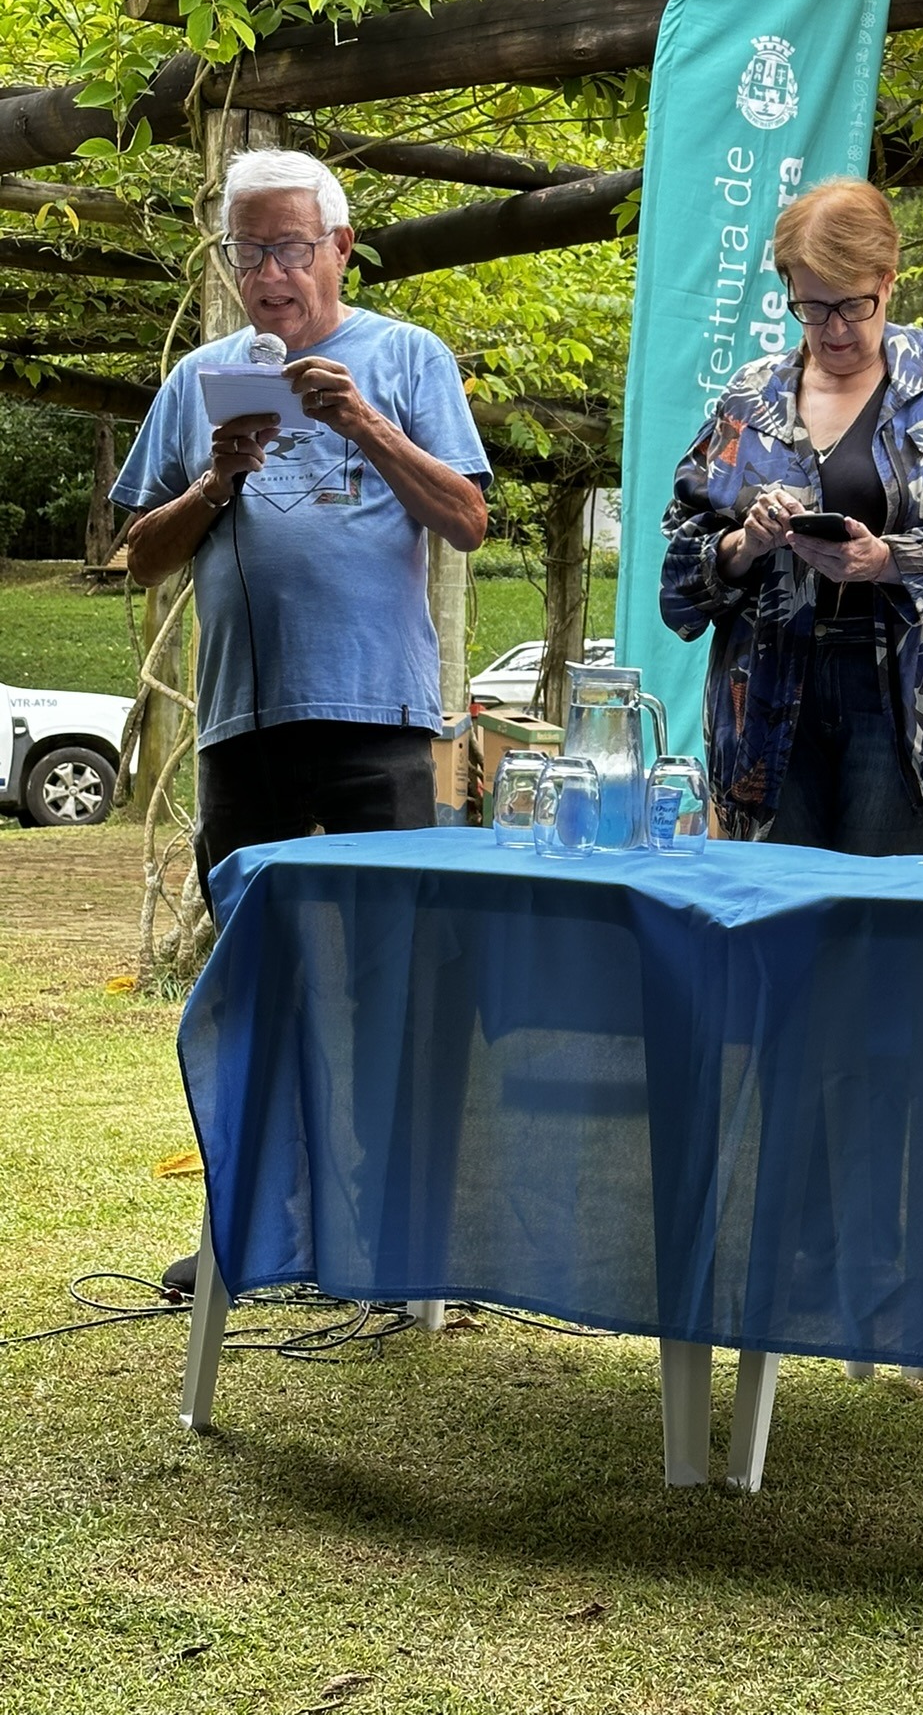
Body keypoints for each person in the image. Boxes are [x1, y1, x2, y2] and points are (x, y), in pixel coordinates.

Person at [111, 146, 491, 1291]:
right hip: (246, 724)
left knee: (393, 982)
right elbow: (140, 557)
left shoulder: (407, 357)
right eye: (246, 251)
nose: (267, 273)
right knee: (252, 982)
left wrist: (369, 425)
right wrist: (216, 481)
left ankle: (398, 1228)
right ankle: (246, 1222)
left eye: (287, 246)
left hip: (377, 718)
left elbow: (467, 519)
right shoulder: (202, 376)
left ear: (339, 247)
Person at [660, 177, 923, 855]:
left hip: (908, 701)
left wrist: (887, 561)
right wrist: (745, 543)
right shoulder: (750, 395)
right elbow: (680, 565)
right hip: (769, 695)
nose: (833, 329)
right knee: (776, 912)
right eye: (811, 306)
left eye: (853, 305)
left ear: (888, 281)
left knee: (880, 919)